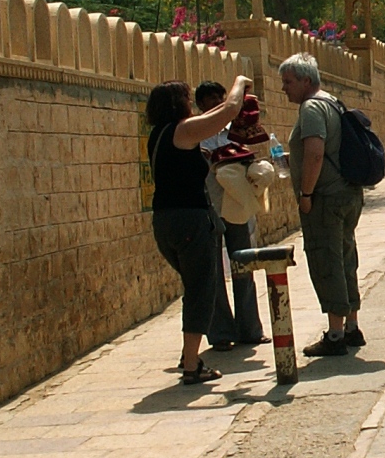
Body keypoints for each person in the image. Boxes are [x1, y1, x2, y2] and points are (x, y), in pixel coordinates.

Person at [145, 74, 250, 385]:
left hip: (164, 221)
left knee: (195, 287)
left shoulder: (160, 134)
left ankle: (188, 352)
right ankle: (192, 363)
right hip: (189, 221)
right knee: (201, 290)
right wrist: (241, 82)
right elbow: (229, 111)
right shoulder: (184, 130)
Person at [280, 53, 365, 357]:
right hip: (347, 193)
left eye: (288, 82)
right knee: (345, 257)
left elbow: (315, 154)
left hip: (326, 198)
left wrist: (305, 194)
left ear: (306, 80)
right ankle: (352, 326)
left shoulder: (312, 107)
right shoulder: (332, 101)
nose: (284, 88)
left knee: (326, 260)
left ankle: (335, 334)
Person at [194, 81, 265, 350]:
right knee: (212, 269)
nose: (213, 105)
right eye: (208, 101)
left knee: (243, 263)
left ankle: (250, 328)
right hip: (210, 204)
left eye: (218, 99)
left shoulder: (236, 128)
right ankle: (221, 333)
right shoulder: (197, 130)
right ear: (200, 105)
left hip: (236, 203)